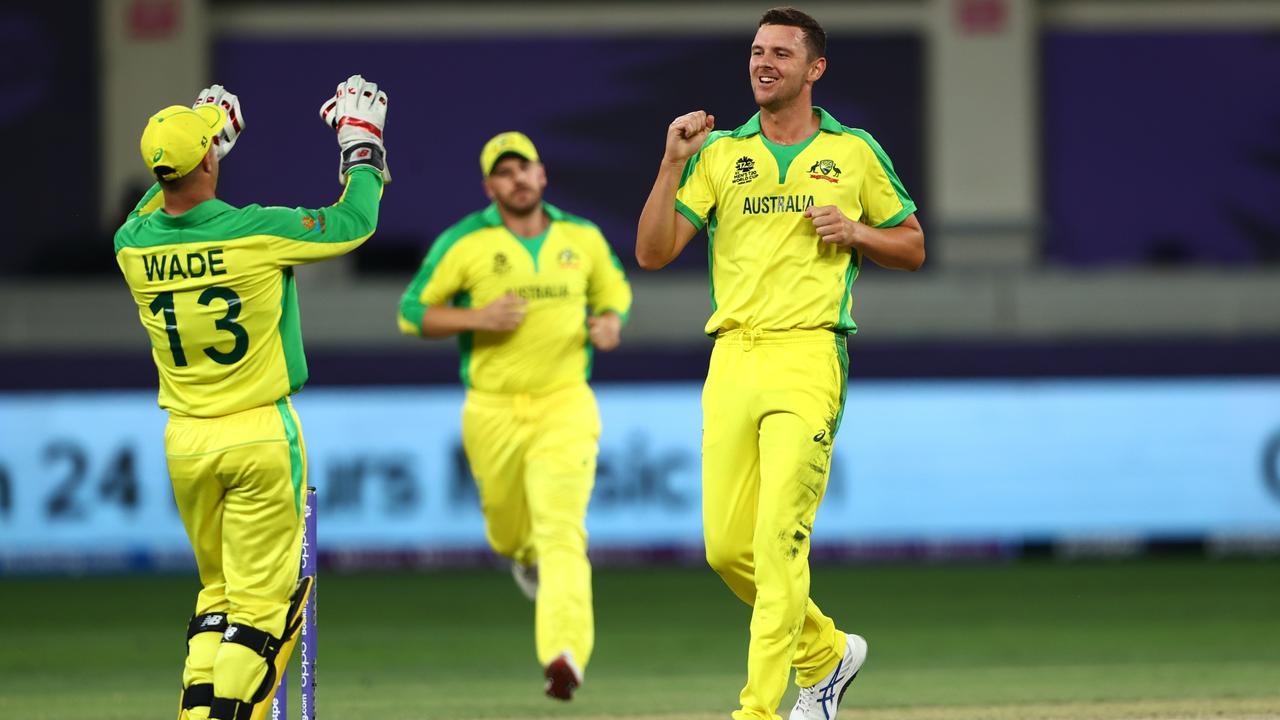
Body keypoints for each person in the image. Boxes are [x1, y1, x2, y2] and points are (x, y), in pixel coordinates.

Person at [635, 7, 925, 720]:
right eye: (757, 52)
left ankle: (759, 711)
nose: (764, 63)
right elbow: (651, 252)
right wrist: (672, 161)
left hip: (807, 354)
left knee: (777, 546)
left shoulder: (853, 152)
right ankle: (825, 656)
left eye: (781, 54)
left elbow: (912, 244)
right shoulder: (720, 153)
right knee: (727, 551)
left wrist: (856, 230)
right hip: (732, 357)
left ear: (814, 69)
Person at [114, 75, 390, 720]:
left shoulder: (133, 245)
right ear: (208, 160)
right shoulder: (255, 232)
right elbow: (353, 224)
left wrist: (203, 146)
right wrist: (363, 146)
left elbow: (152, 206)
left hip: (185, 440)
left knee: (217, 595)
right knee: (263, 606)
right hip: (259, 432)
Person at [397, 131, 631, 701]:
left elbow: (615, 292)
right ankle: (520, 558)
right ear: (489, 186)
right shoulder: (465, 242)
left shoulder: (582, 237)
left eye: (524, 168)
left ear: (542, 174)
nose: (517, 179)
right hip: (492, 410)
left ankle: (564, 654)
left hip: (565, 403)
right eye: (504, 172)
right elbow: (410, 312)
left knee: (562, 533)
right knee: (507, 530)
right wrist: (477, 317)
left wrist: (610, 323)